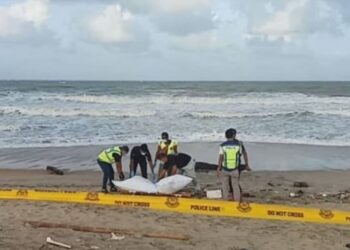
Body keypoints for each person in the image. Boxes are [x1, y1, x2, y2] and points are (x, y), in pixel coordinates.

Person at [217, 128, 250, 201]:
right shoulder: (238, 145)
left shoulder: (222, 145)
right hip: (235, 168)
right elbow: (241, 154)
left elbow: (221, 157)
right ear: (234, 135)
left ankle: (225, 200)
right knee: (235, 185)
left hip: (225, 168)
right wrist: (247, 164)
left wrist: (218, 168)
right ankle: (237, 201)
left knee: (225, 186)